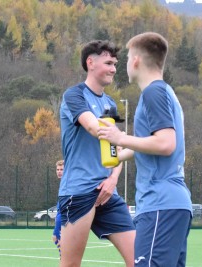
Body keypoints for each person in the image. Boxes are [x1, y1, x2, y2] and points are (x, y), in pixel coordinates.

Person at [97, 32, 192, 266]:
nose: (126, 64)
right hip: (173, 205)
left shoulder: (153, 93)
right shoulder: (167, 93)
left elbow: (166, 143)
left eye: (128, 57)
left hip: (160, 204)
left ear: (136, 60)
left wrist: (121, 137)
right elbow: (149, 145)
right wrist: (114, 153)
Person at [58, 40, 135, 267]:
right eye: (108, 63)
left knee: (141, 260)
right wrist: (137, 141)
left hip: (108, 193)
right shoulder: (74, 96)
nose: (113, 68)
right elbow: (93, 128)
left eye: (115, 64)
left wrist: (113, 179)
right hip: (79, 191)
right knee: (71, 264)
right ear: (90, 63)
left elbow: (116, 149)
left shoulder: (110, 103)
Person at [52, 160, 64, 258]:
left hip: (63, 218)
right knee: (56, 238)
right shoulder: (62, 183)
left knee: (58, 239)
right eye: (57, 169)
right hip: (60, 216)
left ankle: (64, 260)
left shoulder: (68, 183)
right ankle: (63, 258)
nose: (59, 171)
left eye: (61, 169)